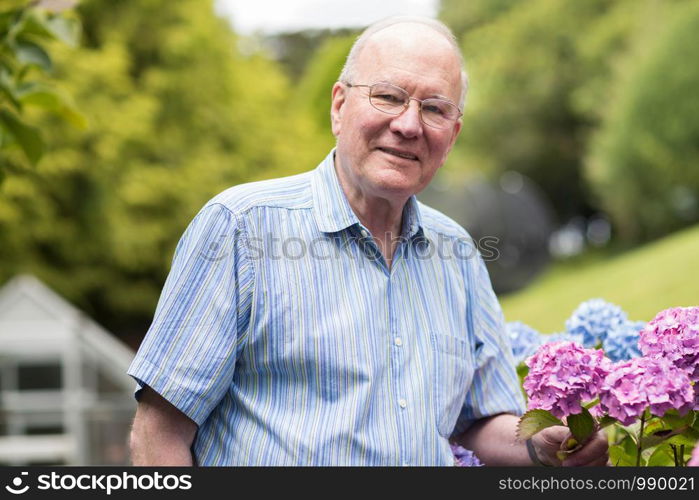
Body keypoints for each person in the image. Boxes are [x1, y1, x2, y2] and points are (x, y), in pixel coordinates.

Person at [127, 16, 609, 466]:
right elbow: (158, 434)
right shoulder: (240, 227)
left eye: (435, 108)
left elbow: (480, 417)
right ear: (339, 106)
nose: (408, 125)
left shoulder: (458, 252)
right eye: (389, 96)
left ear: (453, 134)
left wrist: (545, 444)